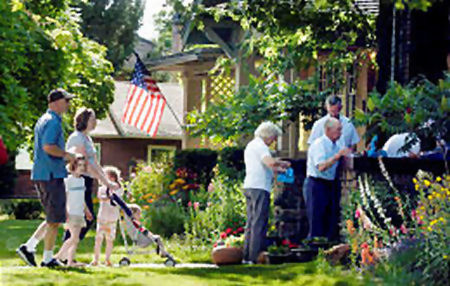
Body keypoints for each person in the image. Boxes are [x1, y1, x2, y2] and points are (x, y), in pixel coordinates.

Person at [16, 88, 76, 267]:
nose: (68, 104)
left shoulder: (44, 119)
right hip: (51, 175)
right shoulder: (53, 122)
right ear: (56, 102)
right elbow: (48, 147)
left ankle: (29, 248)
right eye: (66, 101)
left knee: (53, 217)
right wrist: (68, 156)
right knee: (55, 219)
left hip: (44, 173)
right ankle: (47, 259)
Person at [64, 107, 119, 242]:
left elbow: (95, 163)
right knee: (82, 219)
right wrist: (107, 183)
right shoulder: (77, 138)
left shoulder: (87, 138)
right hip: (79, 181)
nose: (95, 122)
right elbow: (85, 164)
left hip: (87, 181)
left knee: (84, 219)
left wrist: (105, 180)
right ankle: (64, 254)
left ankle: (67, 256)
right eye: (92, 119)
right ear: (84, 120)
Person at [242, 121, 291, 264]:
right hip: (259, 187)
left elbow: (264, 164)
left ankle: (246, 256)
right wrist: (283, 165)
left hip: (250, 185)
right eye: (274, 137)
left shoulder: (251, 145)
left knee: (251, 222)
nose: (274, 141)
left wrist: (280, 166)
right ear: (268, 135)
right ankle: (255, 257)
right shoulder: (261, 146)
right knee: (259, 222)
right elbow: (269, 162)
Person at [304, 118, 352, 242]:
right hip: (316, 183)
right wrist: (337, 156)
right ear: (328, 130)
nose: (341, 133)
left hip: (330, 183)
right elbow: (321, 166)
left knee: (330, 218)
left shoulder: (337, 144)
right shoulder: (319, 144)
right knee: (316, 218)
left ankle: (327, 248)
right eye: (338, 130)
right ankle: (314, 248)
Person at [54, 155, 93, 267]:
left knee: (75, 239)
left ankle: (70, 262)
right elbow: (65, 197)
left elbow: (82, 199)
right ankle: (59, 256)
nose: (82, 167)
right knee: (74, 237)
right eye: (79, 165)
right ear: (73, 166)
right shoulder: (68, 180)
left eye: (83, 165)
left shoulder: (82, 181)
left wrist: (87, 211)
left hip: (80, 213)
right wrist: (65, 212)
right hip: (71, 213)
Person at [91, 166, 123, 266]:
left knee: (110, 239)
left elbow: (115, 198)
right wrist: (108, 196)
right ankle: (96, 259)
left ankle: (107, 259)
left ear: (113, 178)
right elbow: (101, 197)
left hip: (112, 217)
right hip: (102, 216)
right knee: (98, 238)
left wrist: (110, 195)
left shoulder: (118, 188)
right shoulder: (102, 189)